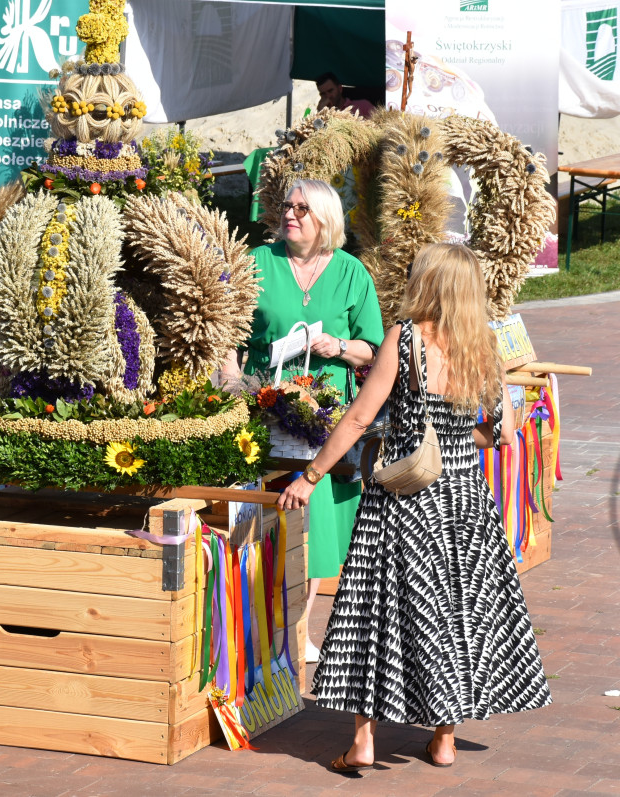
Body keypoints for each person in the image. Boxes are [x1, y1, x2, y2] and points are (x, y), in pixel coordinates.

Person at [278, 243, 551, 771]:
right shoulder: (484, 346)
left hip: (401, 498)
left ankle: (362, 742)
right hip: (464, 500)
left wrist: (311, 476)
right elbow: (500, 433)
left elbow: (359, 417)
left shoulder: (403, 341)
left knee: (373, 612)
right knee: (457, 616)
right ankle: (444, 741)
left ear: (427, 283)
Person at [223, 178, 383, 664]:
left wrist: (339, 347)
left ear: (325, 220)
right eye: (287, 207)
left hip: (326, 417)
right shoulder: (257, 263)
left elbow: (373, 347)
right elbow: (228, 329)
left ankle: (300, 626)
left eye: (301, 209)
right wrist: (231, 382)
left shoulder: (352, 273)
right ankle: (255, 621)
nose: (289, 215)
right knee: (264, 511)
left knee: (320, 523)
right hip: (263, 407)